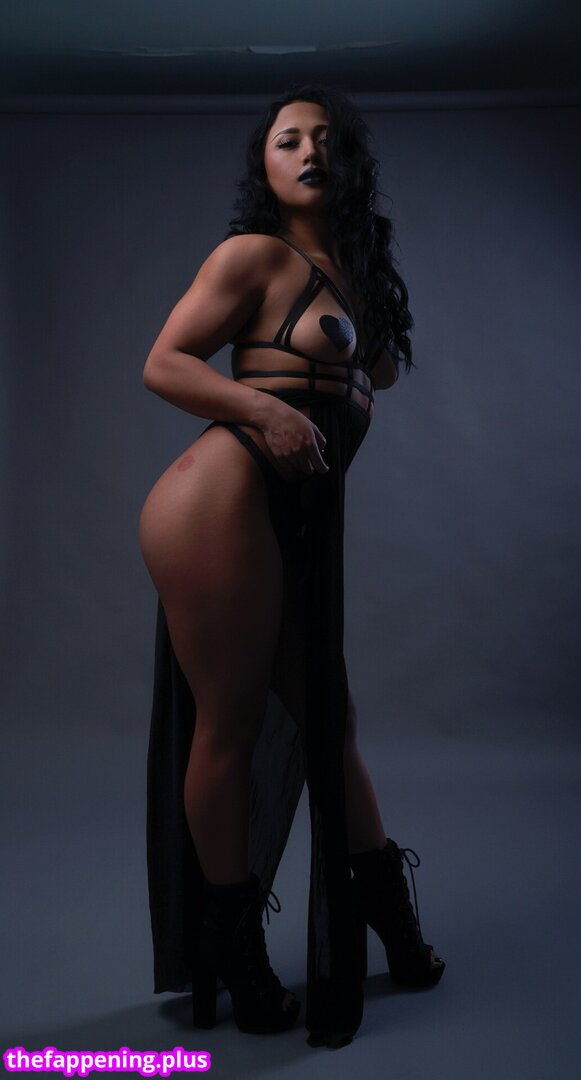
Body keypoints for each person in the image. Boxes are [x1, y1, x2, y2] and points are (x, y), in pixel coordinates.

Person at [138, 83, 445, 1050]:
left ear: (350, 164)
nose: (309, 151)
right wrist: (264, 408)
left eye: (326, 139)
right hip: (217, 500)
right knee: (230, 724)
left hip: (289, 521)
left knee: (328, 722)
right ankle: (233, 952)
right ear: (264, 167)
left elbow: (372, 374)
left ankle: (388, 921)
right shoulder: (253, 256)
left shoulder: (353, 285)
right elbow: (164, 362)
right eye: (287, 139)